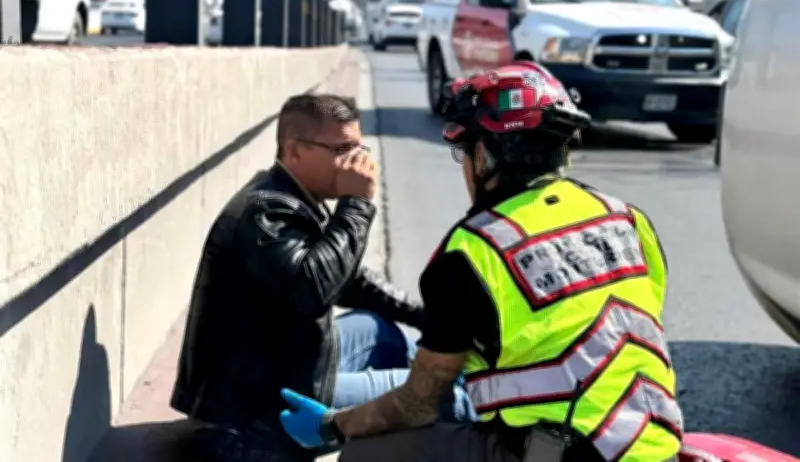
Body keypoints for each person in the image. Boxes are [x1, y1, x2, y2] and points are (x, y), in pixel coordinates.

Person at [277, 63, 685, 462]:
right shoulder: (627, 218)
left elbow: (419, 404)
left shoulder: (473, 251)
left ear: (486, 156)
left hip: (559, 452)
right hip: (653, 444)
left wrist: (334, 425)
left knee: (370, 450)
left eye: (465, 150)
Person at [170, 93, 477, 462]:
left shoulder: (291, 195)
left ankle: (449, 370)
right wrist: (357, 206)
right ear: (295, 150)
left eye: (358, 146)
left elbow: (348, 278)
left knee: (384, 332)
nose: (358, 162)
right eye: (342, 149)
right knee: (443, 395)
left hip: (284, 360)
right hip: (255, 411)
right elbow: (315, 290)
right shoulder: (265, 214)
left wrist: (429, 320)